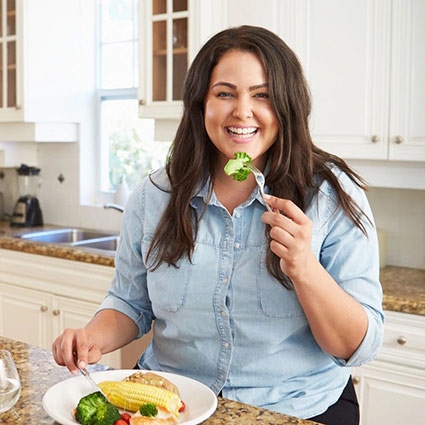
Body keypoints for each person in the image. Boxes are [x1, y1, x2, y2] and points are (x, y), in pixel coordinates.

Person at [52, 25, 384, 424]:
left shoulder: (330, 196)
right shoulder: (154, 195)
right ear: (200, 104)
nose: (242, 111)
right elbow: (130, 303)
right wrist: (92, 338)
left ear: (287, 105)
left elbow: (356, 347)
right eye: (224, 93)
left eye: (261, 95)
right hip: (172, 404)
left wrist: (305, 268)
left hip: (297, 408)